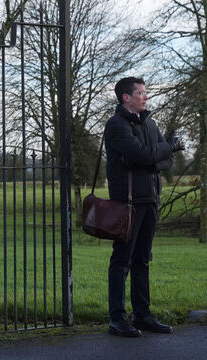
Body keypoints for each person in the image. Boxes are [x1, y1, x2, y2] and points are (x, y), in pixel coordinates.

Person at [103, 77, 184, 337]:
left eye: (145, 93)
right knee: (122, 259)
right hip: (128, 203)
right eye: (141, 93)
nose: (146, 97)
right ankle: (117, 318)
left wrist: (150, 155)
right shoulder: (116, 125)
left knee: (142, 260)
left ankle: (143, 315)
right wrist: (163, 149)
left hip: (150, 199)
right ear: (126, 97)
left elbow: (165, 161)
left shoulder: (150, 123)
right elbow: (148, 154)